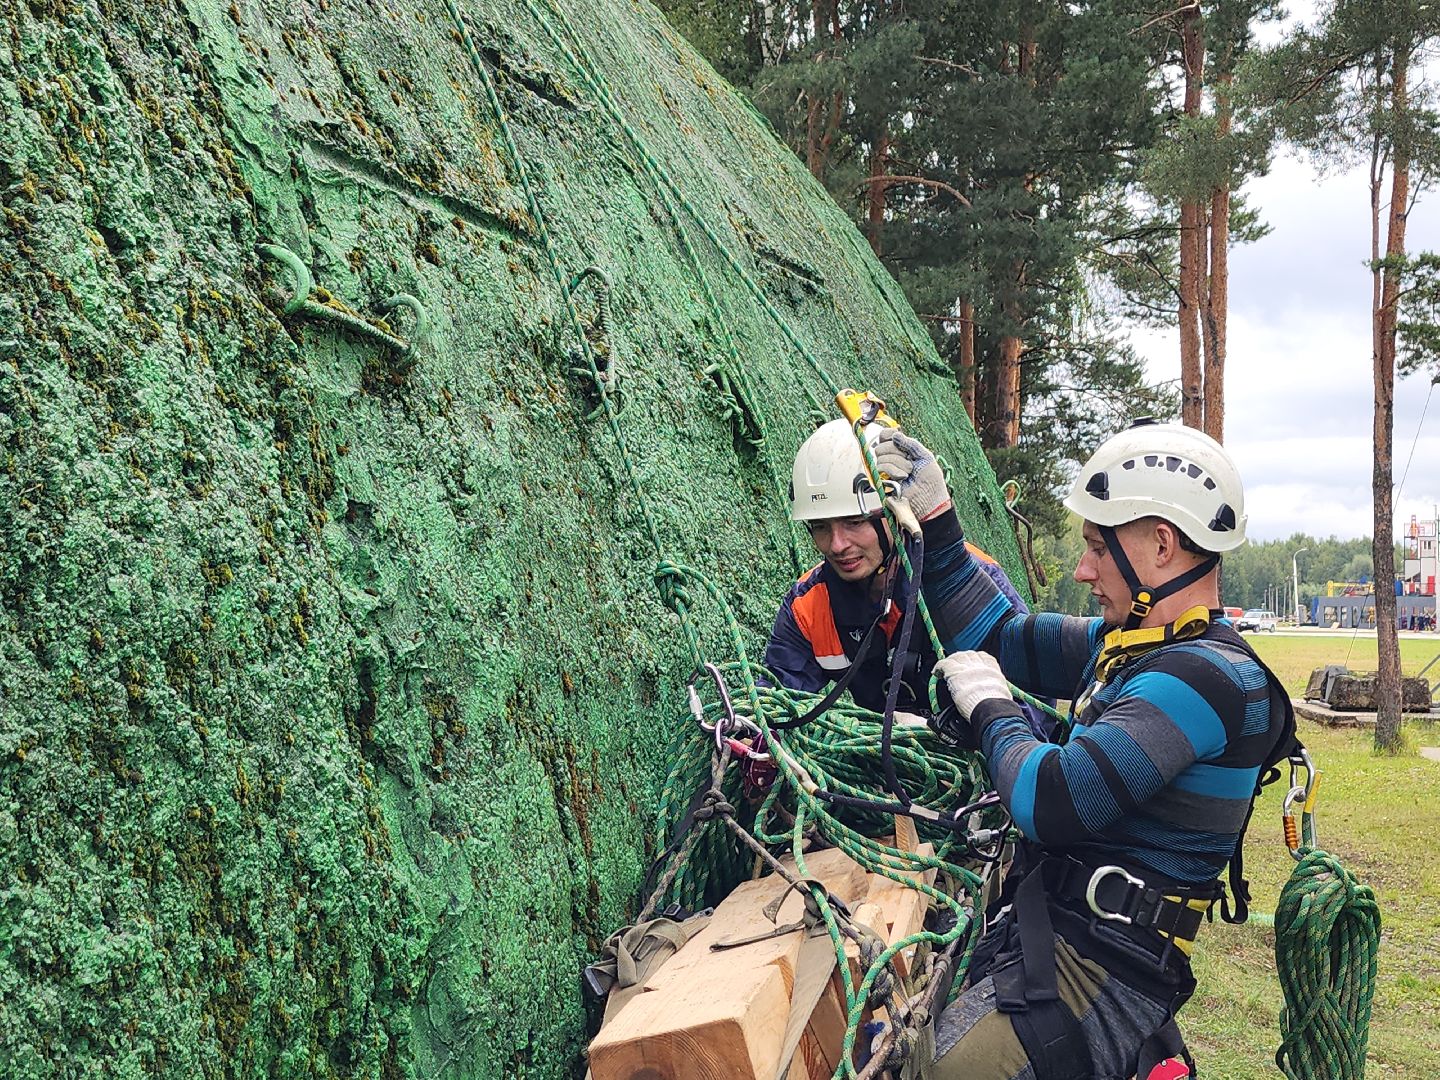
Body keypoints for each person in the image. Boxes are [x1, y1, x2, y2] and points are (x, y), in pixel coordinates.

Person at [872, 419, 1296, 1080]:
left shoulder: (1207, 680)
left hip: (1104, 969)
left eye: (1098, 548)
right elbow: (1000, 633)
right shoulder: (1131, 647)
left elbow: (1055, 798)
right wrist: (937, 518)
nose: (1083, 569)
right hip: (1060, 932)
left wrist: (991, 709)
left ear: (1161, 545)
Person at [764, 419, 1050, 735]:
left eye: (855, 521)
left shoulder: (970, 581)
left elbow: (1036, 705)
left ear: (896, 513)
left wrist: (955, 734)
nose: (837, 545)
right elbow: (777, 699)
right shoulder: (809, 606)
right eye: (820, 526)